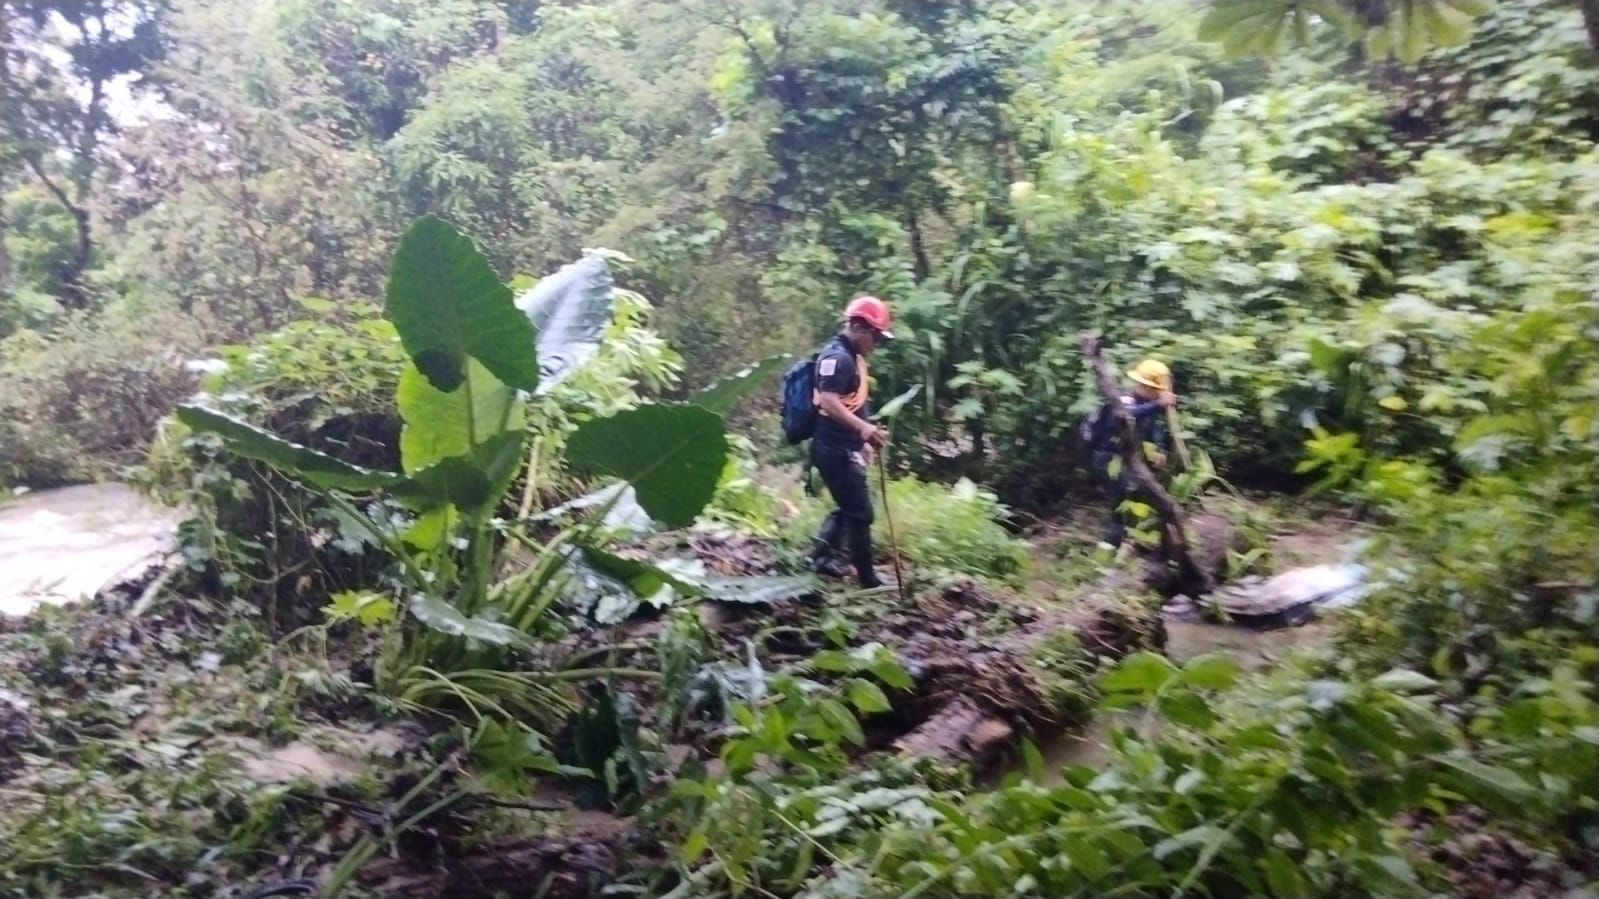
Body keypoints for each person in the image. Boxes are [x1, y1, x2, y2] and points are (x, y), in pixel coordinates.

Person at [807, 295, 893, 588]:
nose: (876, 344)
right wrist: (863, 430)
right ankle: (868, 580)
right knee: (861, 513)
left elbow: (854, 403)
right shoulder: (837, 359)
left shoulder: (853, 358)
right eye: (875, 336)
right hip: (833, 449)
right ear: (858, 327)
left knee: (849, 507)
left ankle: (821, 557)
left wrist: (864, 439)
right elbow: (829, 402)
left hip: (844, 447)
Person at [1085, 358, 1177, 548]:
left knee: (1140, 495)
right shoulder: (1125, 399)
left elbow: (1154, 431)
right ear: (1147, 386)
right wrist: (1157, 405)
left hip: (1129, 459)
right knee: (1122, 496)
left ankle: (1135, 539)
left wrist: (1159, 450)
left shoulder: (1151, 406)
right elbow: (1124, 417)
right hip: (1107, 457)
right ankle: (1111, 544)